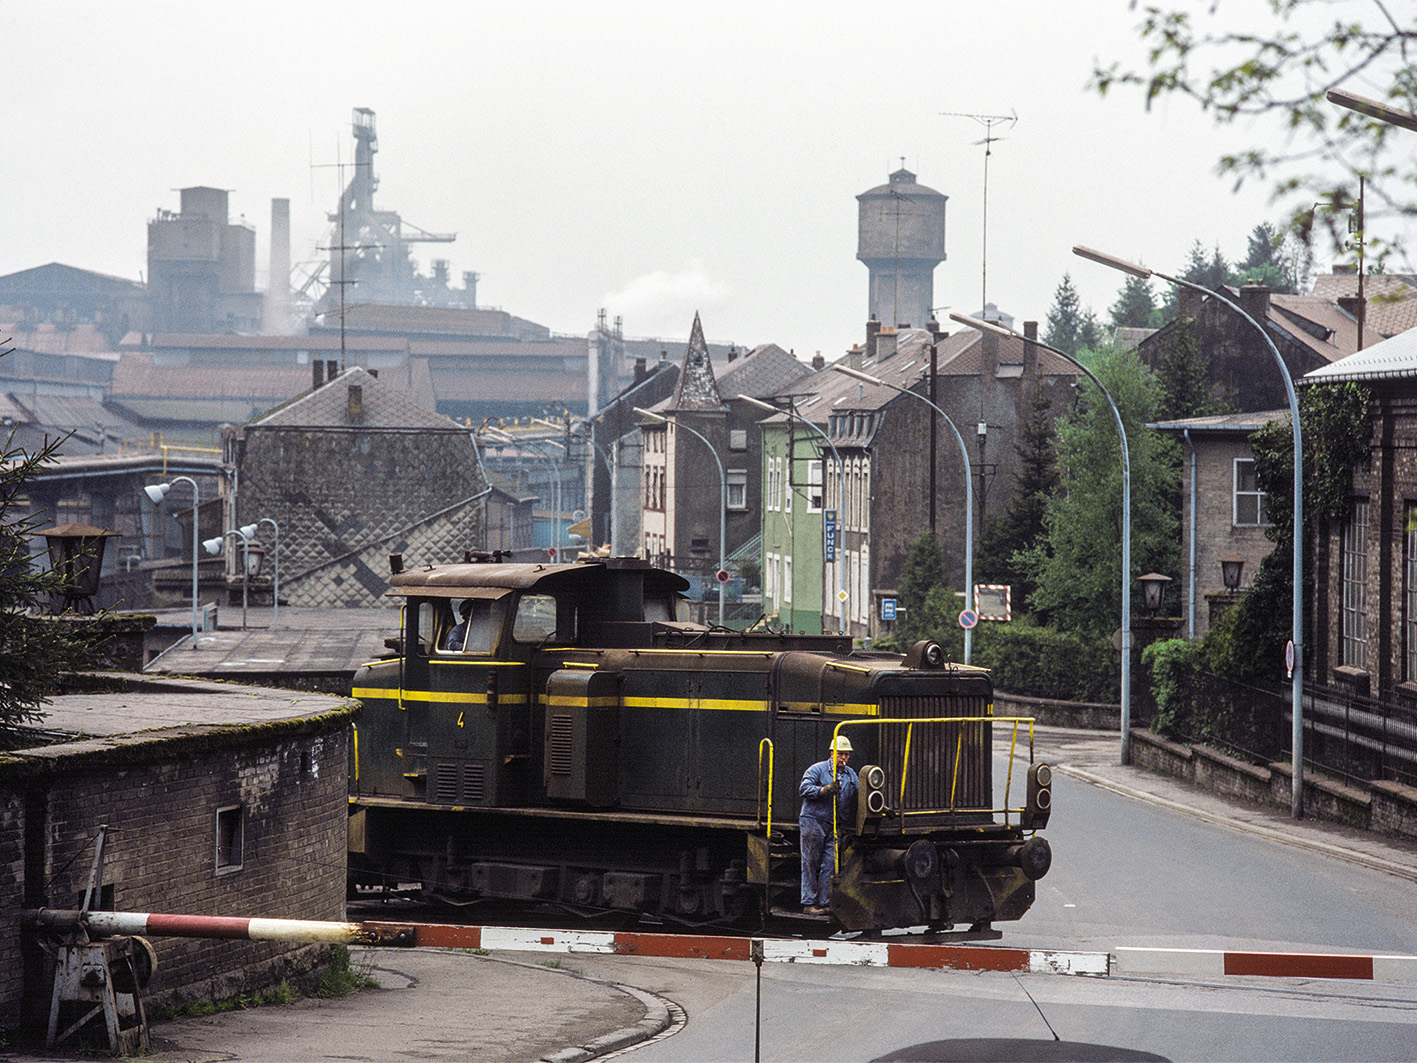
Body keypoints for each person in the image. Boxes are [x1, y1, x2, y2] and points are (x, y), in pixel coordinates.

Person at [798, 735, 858, 915]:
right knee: (810, 861)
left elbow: (859, 793)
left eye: (847, 755)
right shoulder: (818, 769)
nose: (844, 758)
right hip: (813, 821)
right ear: (832, 753)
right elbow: (803, 789)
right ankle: (809, 903)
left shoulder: (850, 774)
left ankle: (824, 903)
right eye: (841, 754)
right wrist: (823, 790)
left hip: (834, 824)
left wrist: (880, 805)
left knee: (830, 864)